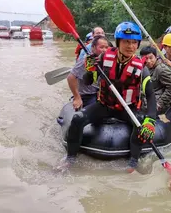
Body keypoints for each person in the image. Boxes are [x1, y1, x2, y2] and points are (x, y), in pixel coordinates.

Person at [57, 21, 157, 173]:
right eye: (126, 42)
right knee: (77, 119)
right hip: (104, 105)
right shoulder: (104, 58)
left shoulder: (141, 68)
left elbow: (150, 96)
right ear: (118, 42)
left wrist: (150, 120)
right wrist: (90, 70)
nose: (131, 46)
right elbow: (88, 81)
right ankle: (70, 158)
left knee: (141, 126)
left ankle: (133, 162)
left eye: (134, 42)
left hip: (127, 108)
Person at [67, 35, 109, 110]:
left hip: (100, 94)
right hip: (87, 96)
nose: (104, 50)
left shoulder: (107, 61)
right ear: (93, 48)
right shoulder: (86, 61)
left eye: (106, 47)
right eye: (101, 47)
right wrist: (77, 98)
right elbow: (71, 77)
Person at [140, 46, 171, 114]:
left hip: (156, 103)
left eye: (151, 58)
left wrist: (159, 104)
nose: (148, 61)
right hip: (145, 101)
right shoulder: (143, 68)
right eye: (145, 58)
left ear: (156, 57)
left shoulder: (161, 69)